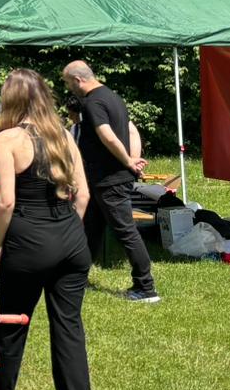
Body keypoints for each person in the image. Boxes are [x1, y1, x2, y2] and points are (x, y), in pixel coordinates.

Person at [0, 68, 95, 390]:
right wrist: (68, 233)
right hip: (70, 239)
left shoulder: (8, 139)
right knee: (69, 332)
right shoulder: (63, 135)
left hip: (28, 241)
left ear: (11, 100)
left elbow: (6, 201)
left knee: (11, 325)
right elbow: (82, 194)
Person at [62, 60, 159, 303]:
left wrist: (128, 160)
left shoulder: (93, 102)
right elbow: (131, 129)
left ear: (78, 80)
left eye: (68, 82)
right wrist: (133, 156)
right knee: (90, 229)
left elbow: (107, 135)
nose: (68, 88)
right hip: (99, 178)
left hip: (110, 179)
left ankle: (146, 288)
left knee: (126, 231)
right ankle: (78, 279)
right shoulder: (113, 96)